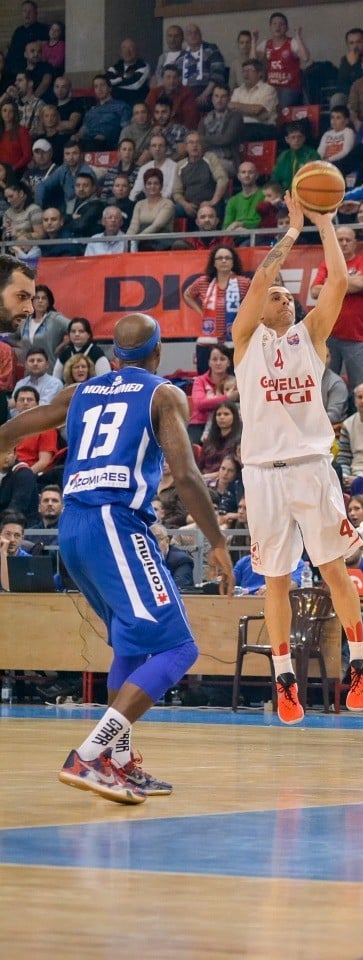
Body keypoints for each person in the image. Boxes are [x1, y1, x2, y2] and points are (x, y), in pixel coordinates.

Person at [0, 311, 234, 803]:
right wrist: (217, 542)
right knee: (179, 648)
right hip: (114, 522)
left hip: (72, 528)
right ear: (156, 353)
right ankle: (89, 755)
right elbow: (187, 476)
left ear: (113, 353)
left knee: (130, 647)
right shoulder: (162, 393)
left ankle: (121, 761)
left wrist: (3, 449)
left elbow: (20, 424)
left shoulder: (82, 391)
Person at [232, 189, 363, 723]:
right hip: (263, 475)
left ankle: (359, 662)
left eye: (291, 296)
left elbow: (338, 283)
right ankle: (284, 675)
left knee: (335, 570)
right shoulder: (245, 342)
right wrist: (291, 232)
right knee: (277, 581)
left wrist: (325, 223)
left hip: (312, 470)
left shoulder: (310, 337)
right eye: (278, 295)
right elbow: (261, 283)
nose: (286, 298)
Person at [310, 227, 363, 391]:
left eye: (348, 240)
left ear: (355, 243)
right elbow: (314, 291)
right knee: (325, 387)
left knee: (361, 389)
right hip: (329, 336)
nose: (344, 243)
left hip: (357, 336)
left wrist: (331, 283)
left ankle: (358, 417)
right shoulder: (326, 264)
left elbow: (361, 284)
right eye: (340, 240)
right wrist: (347, 283)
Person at [184, 245, 251, 372]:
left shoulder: (244, 283)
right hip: (207, 343)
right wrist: (201, 312)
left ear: (233, 262)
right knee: (206, 382)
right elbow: (188, 294)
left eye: (227, 258)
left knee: (234, 381)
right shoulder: (204, 282)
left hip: (234, 342)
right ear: (214, 263)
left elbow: (255, 301)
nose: (224, 261)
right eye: (219, 258)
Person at [188, 344, 239, 444]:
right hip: (200, 424)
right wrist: (227, 397)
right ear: (209, 362)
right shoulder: (200, 381)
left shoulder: (234, 381)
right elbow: (200, 404)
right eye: (214, 359)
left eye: (222, 359)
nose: (218, 363)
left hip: (228, 424)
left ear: (229, 362)